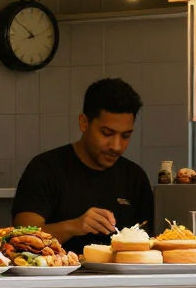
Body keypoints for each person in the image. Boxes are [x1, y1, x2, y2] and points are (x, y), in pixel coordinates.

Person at [12, 77, 154, 254]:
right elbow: (20, 238)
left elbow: (150, 241)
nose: (116, 146)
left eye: (125, 136)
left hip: (122, 280)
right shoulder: (46, 168)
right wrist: (74, 226)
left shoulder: (134, 177)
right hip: (57, 279)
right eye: (107, 133)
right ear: (84, 123)